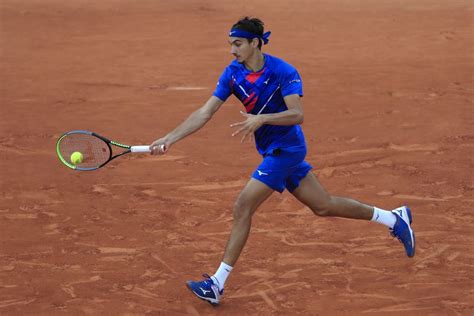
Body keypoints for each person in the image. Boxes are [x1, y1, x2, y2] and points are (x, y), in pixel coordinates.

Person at [149, 17, 415, 306]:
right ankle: (393, 217)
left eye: (237, 44)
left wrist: (262, 118)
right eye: (231, 44)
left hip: (287, 150)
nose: (232, 50)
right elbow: (204, 112)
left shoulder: (283, 72)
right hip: (272, 151)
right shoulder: (232, 74)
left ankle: (217, 283)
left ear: (255, 43)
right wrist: (169, 138)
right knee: (323, 205)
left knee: (243, 205)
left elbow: (297, 114)